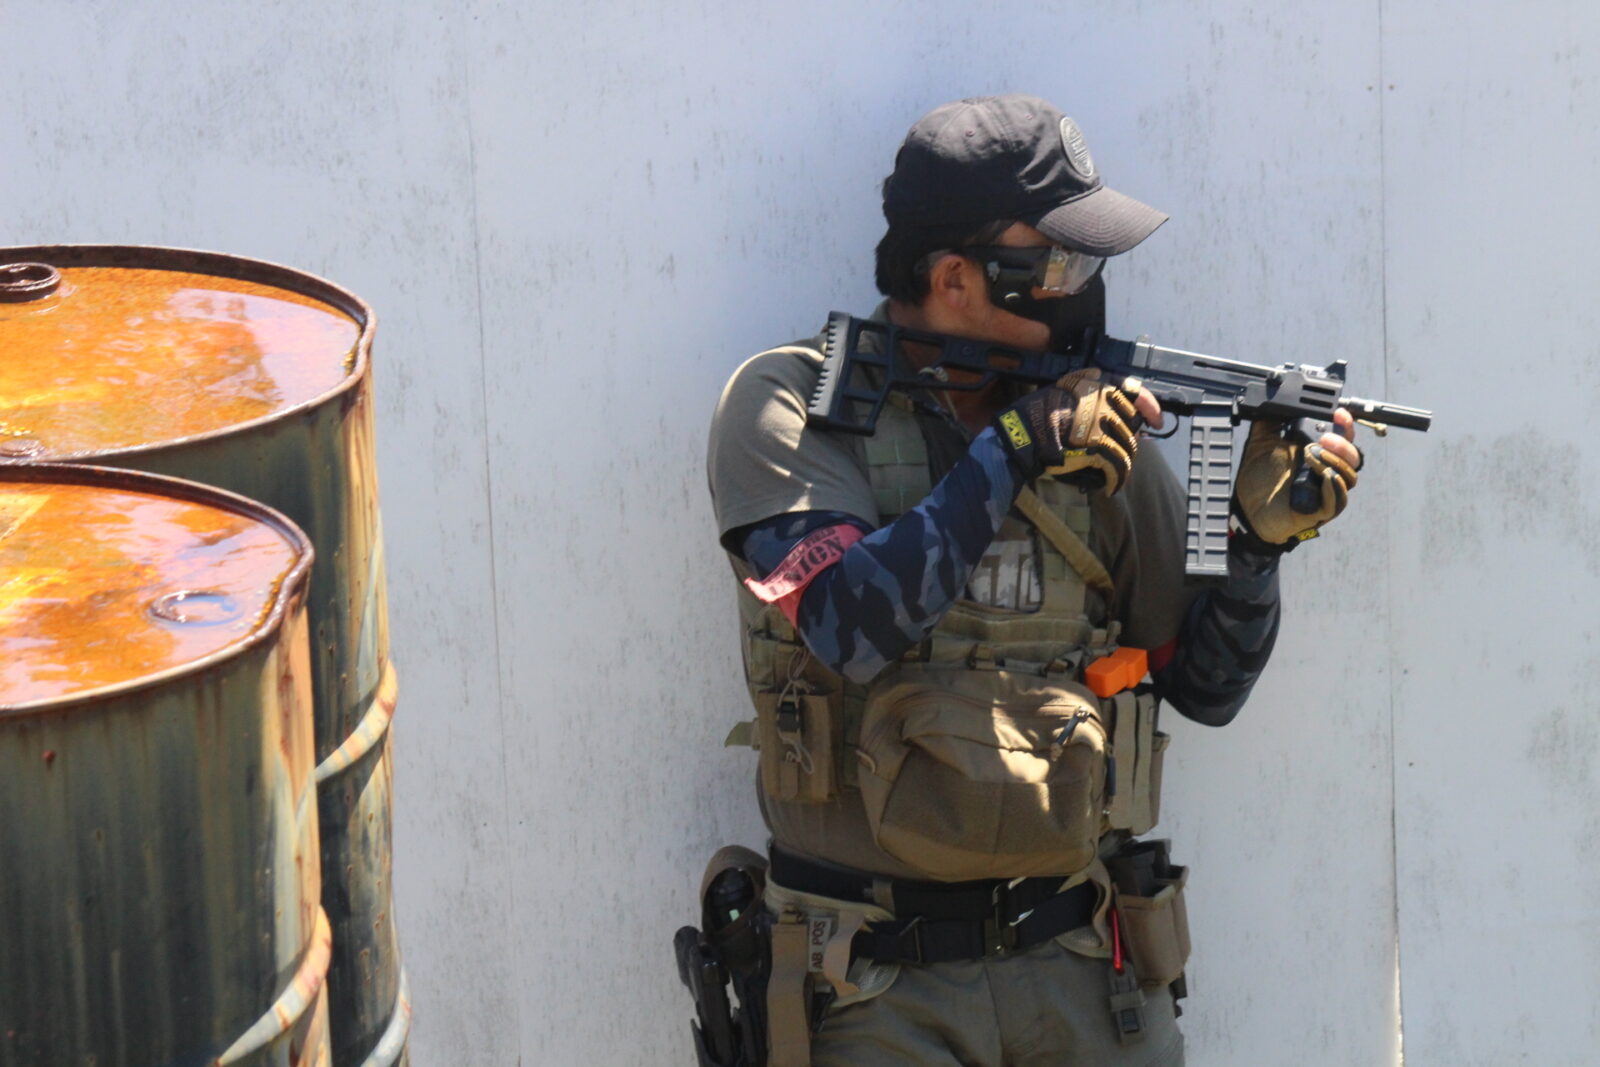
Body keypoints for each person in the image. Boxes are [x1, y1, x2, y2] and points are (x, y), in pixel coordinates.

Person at [701, 94, 1362, 1067]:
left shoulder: (1095, 432)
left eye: (1090, 263)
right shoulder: (792, 403)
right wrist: (1014, 446)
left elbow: (1204, 686)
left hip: (1078, 965)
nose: (1082, 289)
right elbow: (847, 623)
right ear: (954, 279)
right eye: (1057, 264)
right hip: (868, 980)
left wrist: (1254, 546)